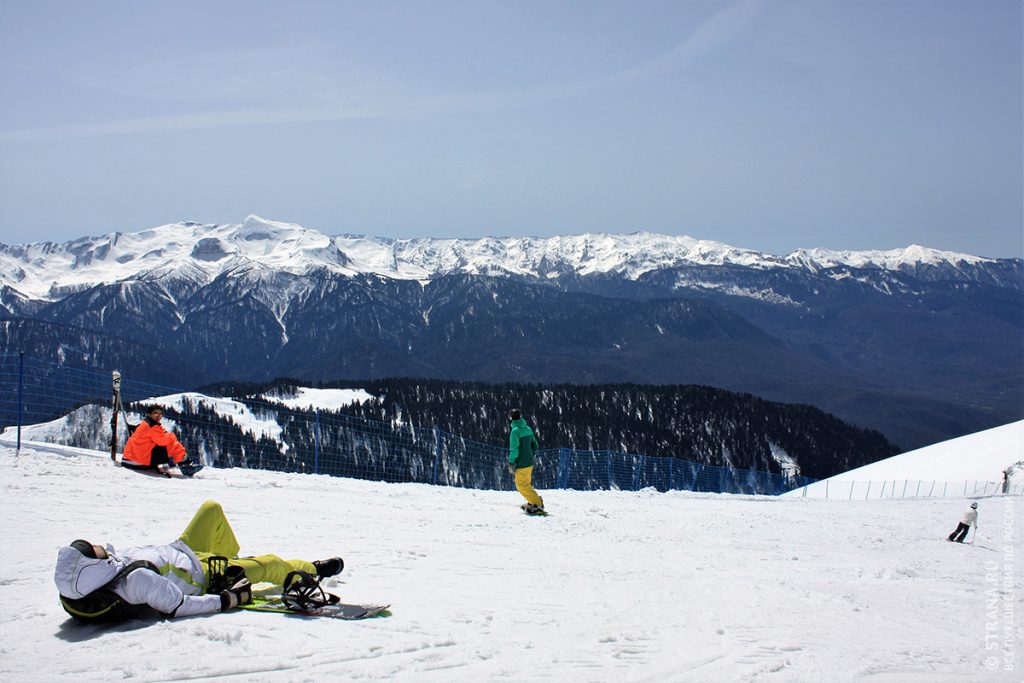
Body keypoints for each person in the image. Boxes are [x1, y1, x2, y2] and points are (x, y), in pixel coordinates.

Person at [55, 500, 343, 619]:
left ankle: (237, 560)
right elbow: (179, 605)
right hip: (207, 574)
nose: (92, 544)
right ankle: (312, 569)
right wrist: (228, 599)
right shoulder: (136, 582)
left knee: (211, 509)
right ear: (93, 568)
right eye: (88, 550)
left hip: (184, 549)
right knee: (271, 564)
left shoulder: (112, 568)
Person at [121, 405, 193, 474]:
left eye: (160, 413)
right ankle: (185, 467)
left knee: (166, 443)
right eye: (155, 413)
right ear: (149, 414)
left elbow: (159, 434)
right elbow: (162, 441)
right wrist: (172, 436)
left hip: (129, 459)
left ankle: (180, 464)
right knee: (172, 445)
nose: (158, 415)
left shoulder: (146, 423)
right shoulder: (152, 426)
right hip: (137, 462)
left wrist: (166, 435)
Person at [508, 409, 544, 514]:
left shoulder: (515, 432)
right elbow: (535, 445)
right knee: (526, 484)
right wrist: (529, 454)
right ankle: (533, 501)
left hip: (522, 463)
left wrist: (511, 462)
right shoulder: (528, 429)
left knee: (521, 485)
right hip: (529, 462)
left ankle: (537, 503)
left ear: (511, 418)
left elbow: (514, 450)